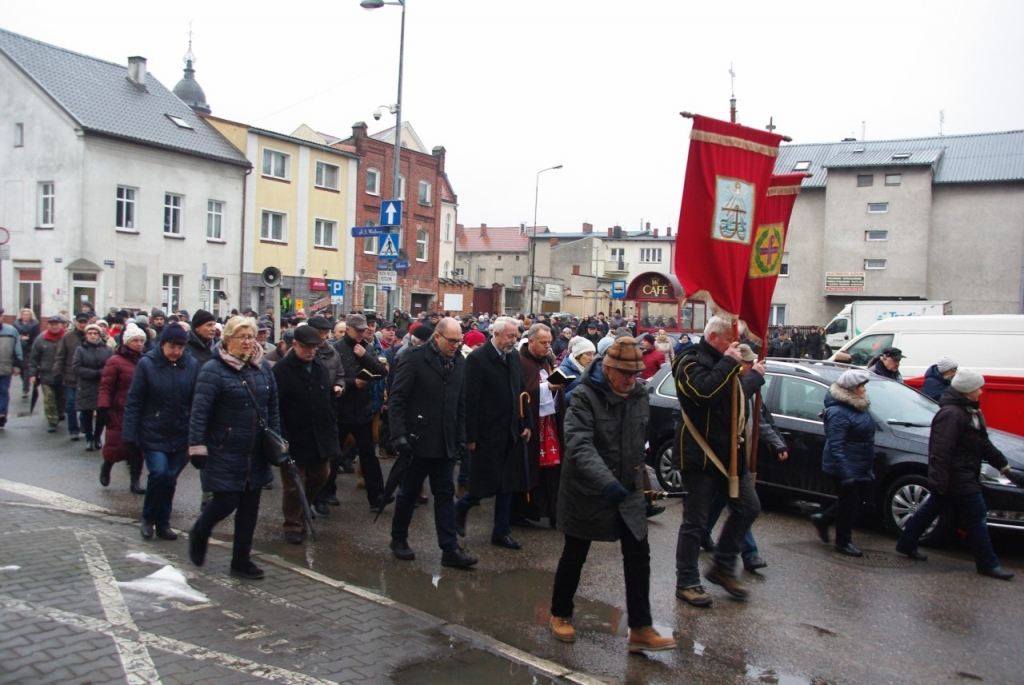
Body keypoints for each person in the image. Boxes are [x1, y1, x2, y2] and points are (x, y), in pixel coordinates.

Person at [549, 337, 676, 653]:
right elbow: (579, 445)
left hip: (627, 490)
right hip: (587, 490)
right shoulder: (582, 396)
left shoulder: (638, 395)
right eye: (625, 374)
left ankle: (641, 628)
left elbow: (639, 445)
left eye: (635, 374)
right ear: (607, 368)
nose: (630, 380)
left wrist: (642, 485)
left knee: (638, 555)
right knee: (575, 554)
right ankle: (560, 613)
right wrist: (607, 483)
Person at [896, 369, 1024, 579]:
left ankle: (906, 542)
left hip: (961, 475)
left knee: (930, 510)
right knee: (976, 517)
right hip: (957, 477)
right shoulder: (952, 414)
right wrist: (940, 481)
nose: (981, 392)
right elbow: (940, 450)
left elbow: (984, 444)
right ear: (967, 391)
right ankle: (987, 563)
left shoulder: (970, 412)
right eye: (977, 388)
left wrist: (1005, 468)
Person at [673, 316, 760, 608]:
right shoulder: (688, 360)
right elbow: (703, 392)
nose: (737, 346)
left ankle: (722, 566)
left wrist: (752, 377)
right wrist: (729, 363)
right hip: (700, 454)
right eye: (731, 340)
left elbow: (731, 397)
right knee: (694, 523)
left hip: (730, 454)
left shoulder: (728, 362)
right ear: (714, 337)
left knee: (749, 507)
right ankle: (686, 581)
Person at [188, 316, 279, 579]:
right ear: (227, 340)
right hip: (224, 448)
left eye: (250, 336)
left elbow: (272, 407)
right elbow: (200, 412)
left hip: (256, 450)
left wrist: (276, 439)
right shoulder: (213, 370)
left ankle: (241, 559)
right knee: (226, 500)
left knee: (250, 506)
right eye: (242, 337)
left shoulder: (262, 368)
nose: (248, 342)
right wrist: (197, 446)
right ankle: (200, 531)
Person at [388, 317, 478, 568]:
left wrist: (461, 437)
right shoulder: (413, 358)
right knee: (408, 492)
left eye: (459, 341)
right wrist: (398, 435)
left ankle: (449, 549)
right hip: (417, 440)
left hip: (445, 441)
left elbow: (460, 404)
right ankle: (398, 538)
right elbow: (397, 399)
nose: (456, 345)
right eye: (451, 341)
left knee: (445, 494)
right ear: (436, 337)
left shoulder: (459, 362)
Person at [701, 344, 788, 570]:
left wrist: (778, 443)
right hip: (723, 457)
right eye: (747, 364)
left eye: (752, 364)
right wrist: (756, 378)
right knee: (743, 506)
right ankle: (749, 554)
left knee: (725, 502)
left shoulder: (749, 386)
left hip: (741, 455)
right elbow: (731, 401)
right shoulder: (729, 386)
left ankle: (703, 533)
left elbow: (761, 420)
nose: (751, 367)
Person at [455, 316, 533, 550]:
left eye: (516, 336)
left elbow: (521, 391)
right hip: (487, 433)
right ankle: (460, 508)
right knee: (482, 486)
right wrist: (470, 437)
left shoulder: (513, 357)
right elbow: (470, 400)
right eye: (510, 336)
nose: (514, 340)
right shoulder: (478, 359)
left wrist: (526, 422)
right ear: (495, 334)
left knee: (507, 485)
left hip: (510, 430)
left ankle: (501, 531)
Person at [122, 324, 199, 541]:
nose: (177, 352)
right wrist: (129, 434)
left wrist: (197, 432)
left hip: (181, 433)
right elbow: (134, 401)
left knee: (170, 479)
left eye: (181, 347)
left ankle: (163, 522)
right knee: (159, 473)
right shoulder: (147, 364)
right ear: (162, 344)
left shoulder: (191, 365)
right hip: (153, 431)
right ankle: (148, 518)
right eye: (173, 346)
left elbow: (197, 400)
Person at [273, 325, 342, 545]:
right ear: (294, 345)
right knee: (294, 483)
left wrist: (331, 422)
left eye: (315, 347)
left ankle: (303, 508)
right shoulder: (282, 370)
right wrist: (282, 437)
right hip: (294, 436)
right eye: (306, 347)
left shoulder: (319, 367)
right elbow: (275, 406)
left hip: (320, 435)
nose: (311, 351)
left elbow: (327, 399)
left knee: (321, 475)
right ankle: (292, 524)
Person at [318, 313, 387, 511]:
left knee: (368, 455)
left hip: (362, 410)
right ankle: (325, 495)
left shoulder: (367, 347)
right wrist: (351, 383)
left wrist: (364, 356)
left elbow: (381, 372)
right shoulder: (335, 349)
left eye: (363, 330)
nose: (361, 333)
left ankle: (377, 496)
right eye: (357, 330)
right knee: (334, 455)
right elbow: (330, 378)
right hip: (341, 409)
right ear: (347, 329)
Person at [810, 368, 875, 557]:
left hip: (858, 463)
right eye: (861, 386)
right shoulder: (838, 412)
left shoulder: (857, 406)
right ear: (851, 389)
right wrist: (846, 473)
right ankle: (842, 542)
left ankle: (823, 519)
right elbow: (836, 445)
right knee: (849, 504)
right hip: (843, 466)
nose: (864, 389)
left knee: (851, 502)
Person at [513, 324, 567, 526]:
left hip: (549, 422)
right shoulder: (518, 362)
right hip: (531, 425)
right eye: (543, 343)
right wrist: (546, 388)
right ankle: (523, 511)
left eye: (549, 343)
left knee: (551, 467)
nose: (547, 347)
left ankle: (550, 509)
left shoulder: (547, 361)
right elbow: (521, 391)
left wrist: (556, 388)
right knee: (529, 468)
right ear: (531, 341)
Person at [97, 323, 147, 492]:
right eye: (135, 341)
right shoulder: (115, 361)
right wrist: (103, 407)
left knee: (138, 448)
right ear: (127, 342)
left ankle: (135, 482)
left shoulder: (144, 361)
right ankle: (107, 466)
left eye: (141, 341)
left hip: (139, 410)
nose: (139, 344)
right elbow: (106, 387)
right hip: (118, 409)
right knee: (115, 444)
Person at [72, 323, 112, 451]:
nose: (93, 336)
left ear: (99, 335)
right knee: (87, 413)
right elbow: (76, 367)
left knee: (102, 414)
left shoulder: (107, 349)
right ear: (86, 335)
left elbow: (111, 365)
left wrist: (102, 373)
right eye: (90, 333)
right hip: (86, 385)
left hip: (102, 385)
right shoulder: (80, 350)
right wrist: (93, 373)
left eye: (95, 333)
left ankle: (97, 437)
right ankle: (89, 437)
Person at [30, 315, 67, 432]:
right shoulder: (41, 339)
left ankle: (60, 411)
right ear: (48, 325)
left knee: (62, 397)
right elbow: (34, 357)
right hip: (46, 374)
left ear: (61, 325)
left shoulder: (67, 338)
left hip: (64, 374)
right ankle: (52, 420)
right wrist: (33, 373)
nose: (54, 326)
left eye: (57, 324)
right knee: (49, 398)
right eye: (52, 324)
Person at [55, 313, 88, 440]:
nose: (83, 324)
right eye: (80, 322)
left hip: (86, 377)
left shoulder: (90, 336)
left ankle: (84, 424)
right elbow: (61, 355)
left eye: (85, 322)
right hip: (70, 376)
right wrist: (58, 371)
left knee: (86, 404)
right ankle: (73, 429)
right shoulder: (67, 337)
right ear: (76, 322)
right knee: (70, 403)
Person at [0, 308, 23, 429]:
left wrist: (17, 366)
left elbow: (17, 350)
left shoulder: (11, 331)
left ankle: (2, 413)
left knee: (3, 391)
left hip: (5, 367)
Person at [558, 337, 595, 404]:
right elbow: (558, 402)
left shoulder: (590, 370)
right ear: (578, 355)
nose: (592, 358)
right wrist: (582, 388)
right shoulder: (562, 371)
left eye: (593, 354)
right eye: (588, 354)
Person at [14, 308, 39, 399]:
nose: (25, 316)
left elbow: (36, 336)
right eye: (23, 314)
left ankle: (25, 389)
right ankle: (26, 385)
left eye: (27, 315)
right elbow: (15, 335)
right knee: (21, 369)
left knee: (26, 369)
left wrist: (28, 338)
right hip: (20, 348)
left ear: (30, 316)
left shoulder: (35, 324)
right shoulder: (16, 324)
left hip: (29, 349)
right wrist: (20, 338)